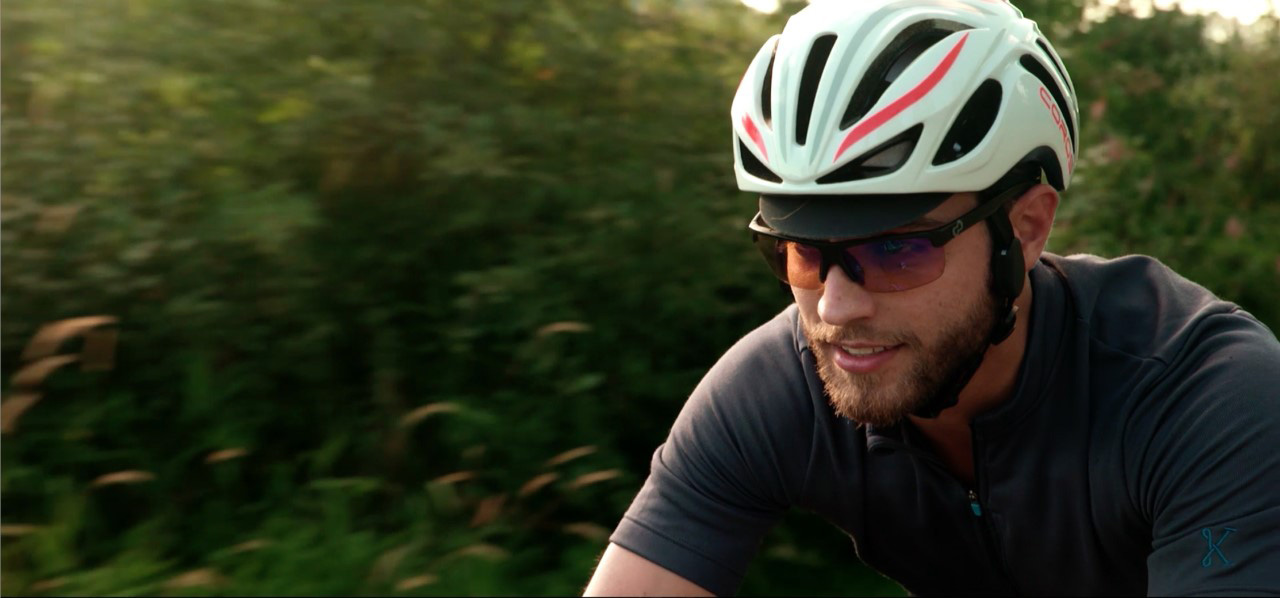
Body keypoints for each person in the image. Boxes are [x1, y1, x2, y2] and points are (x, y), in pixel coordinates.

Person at [583, 0, 1280, 596]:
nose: (835, 309)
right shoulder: (777, 387)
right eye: (802, 252)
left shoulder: (1206, 399)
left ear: (1026, 228)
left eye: (895, 250)